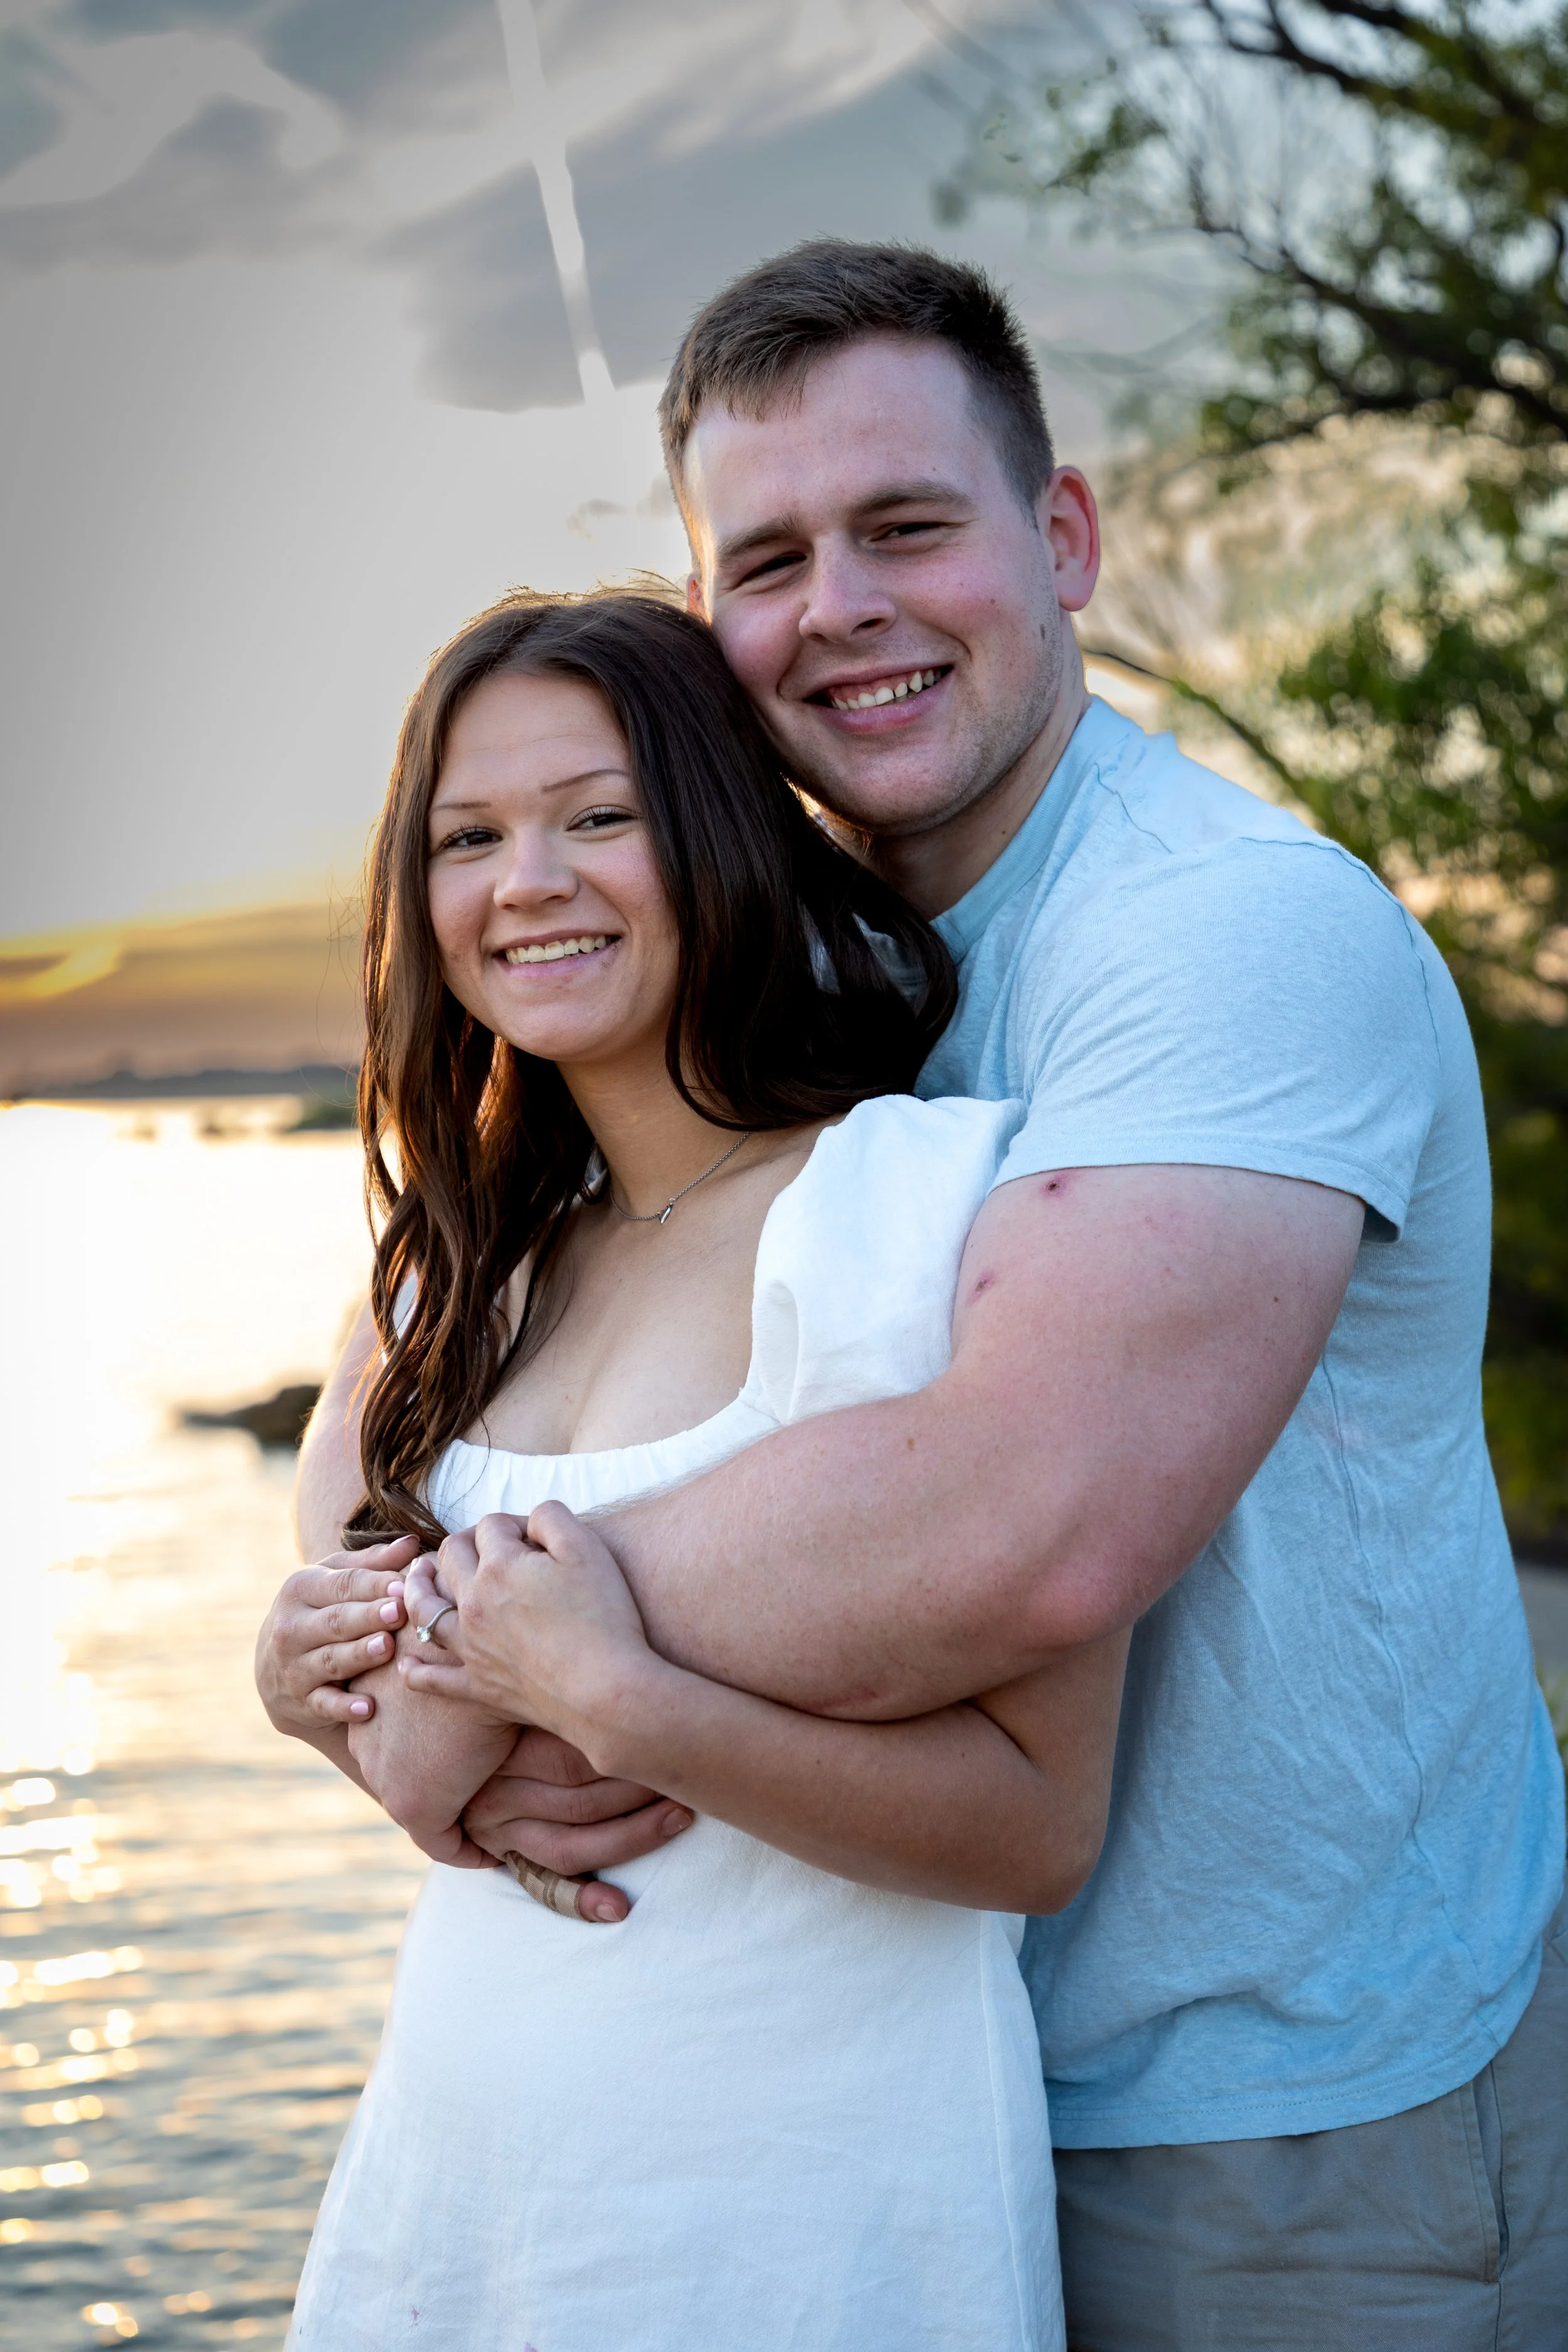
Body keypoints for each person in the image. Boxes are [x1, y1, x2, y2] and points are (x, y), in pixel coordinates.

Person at [262, 243, 1567, 2347]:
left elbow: (1019, 1522)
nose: (840, 604)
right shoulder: (786, 977)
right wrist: (356, 1683)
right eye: (767, 556)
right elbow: (416, 1414)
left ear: (1059, 538)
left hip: (1271, 2102)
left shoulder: (1220, 942)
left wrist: (479, 1664)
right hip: (877, 2079)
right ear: (709, 624)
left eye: (905, 525)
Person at [276, 585, 1126, 2350]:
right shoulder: (453, 1267)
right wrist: (304, 1691)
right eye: (469, 835)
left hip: (805, 2207)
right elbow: (364, 1670)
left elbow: (1037, 1826)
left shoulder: (911, 1208)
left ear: (723, 833)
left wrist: (633, 1703)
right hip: (466, 2170)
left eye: (601, 815)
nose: (528, 880)